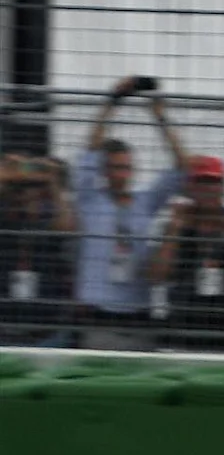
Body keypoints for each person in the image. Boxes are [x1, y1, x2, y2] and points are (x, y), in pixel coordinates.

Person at [71, 77, 189, 350]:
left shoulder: (145, 202)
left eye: (126, 168)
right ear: (104, 171)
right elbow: (89, 151)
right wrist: (112, 102)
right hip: (98, 315)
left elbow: (183, 169)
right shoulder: (90, 199)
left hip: (138, 314)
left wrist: (160, 116)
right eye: (114, 168)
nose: (121, 174)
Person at [143, 155, 224, 353]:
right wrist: (174, 231)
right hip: (184, 335)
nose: (208, 189)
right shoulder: (177, 225)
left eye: (214, 182)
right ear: (191, 187)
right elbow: (155, 276)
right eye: (201, 182)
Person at [0, 144, 75, 344]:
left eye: (32, 186)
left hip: (46, 329)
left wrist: (52, 181)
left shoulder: (50, 221)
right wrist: (5, 175)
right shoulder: (5, 219)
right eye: (21, 186)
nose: (25, 192)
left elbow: (67, 226)